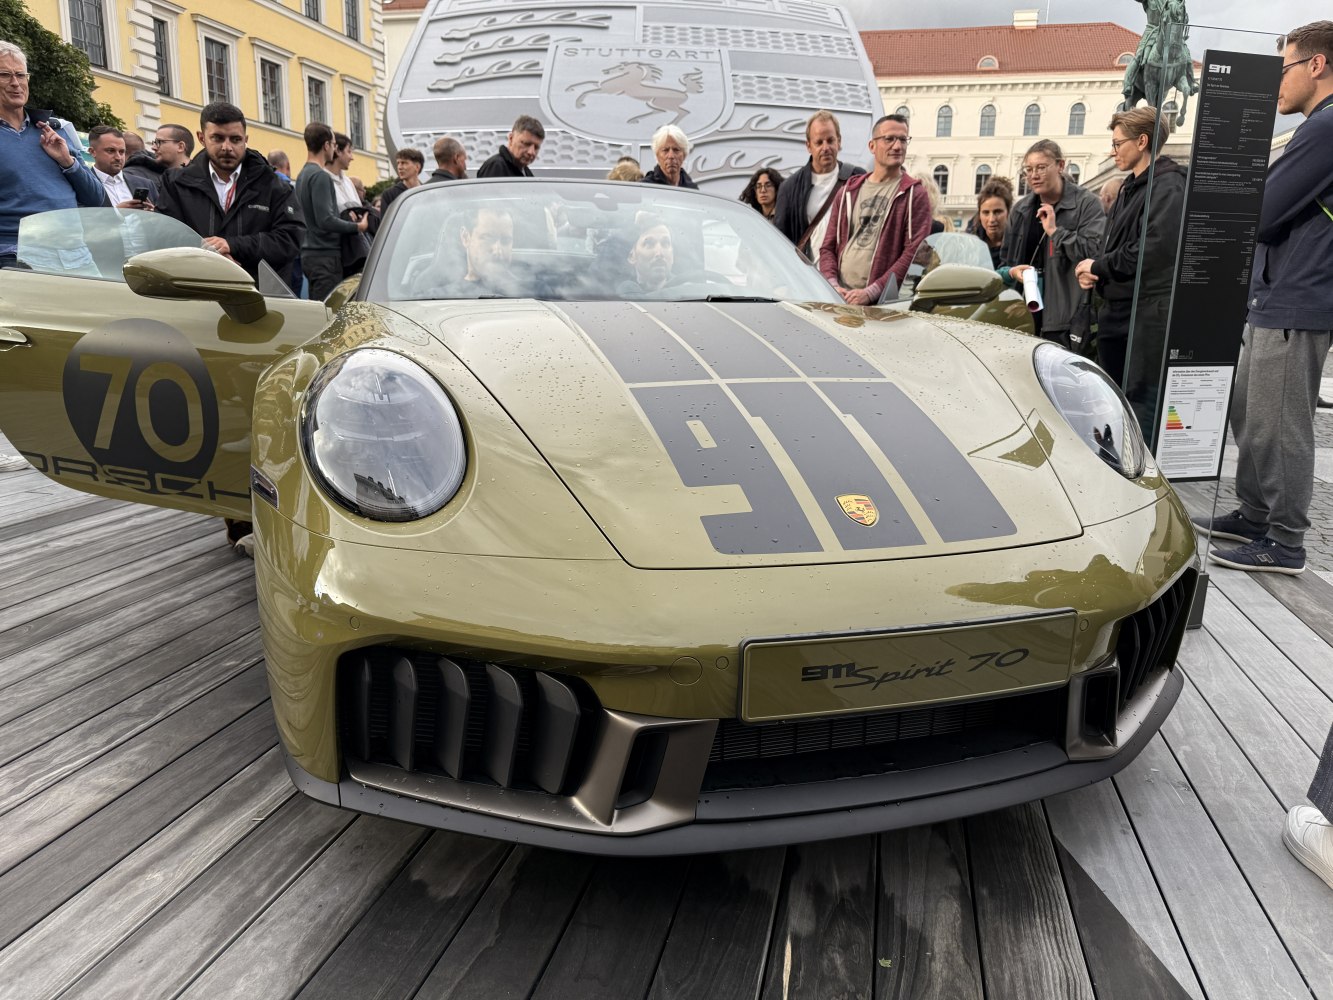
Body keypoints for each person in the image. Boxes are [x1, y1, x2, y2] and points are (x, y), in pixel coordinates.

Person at [1193, 20, 1333, 578]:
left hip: (1298, 296)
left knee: (1280, 422)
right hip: (1279, 294)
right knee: (1251, 409)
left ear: (1317, 65)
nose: (1277, 82)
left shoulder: (1325, 128)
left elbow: (1265, 211)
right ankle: (1254, 515)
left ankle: (1284, 539)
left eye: (1285, 67)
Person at [1075, 107, 1185, 429]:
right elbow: (1113, 243)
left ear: (1141, 141)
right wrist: (1094, 269)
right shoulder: (1129, 186)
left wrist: (1100, 265)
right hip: (1120, 312)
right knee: (1113, 402)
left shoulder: (1168, 186)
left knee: (1138, 406)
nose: (1112, 152)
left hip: (1145, 315)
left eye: (1117, 143)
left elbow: (1153, 251)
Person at [154, 101, 303, 282]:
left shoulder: (273, 185)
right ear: (202, 138)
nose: (227, 147)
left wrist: (233, 246)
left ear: (245, 140)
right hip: (196, 289)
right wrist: (212, 257)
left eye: (235, 139)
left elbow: (290, 239)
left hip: (258, 296)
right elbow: (165, 234)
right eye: (217, 138)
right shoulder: (176, 183)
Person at [0, 39, 106, 270]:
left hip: (76, 255)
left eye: (21, 75)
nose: (15, 83)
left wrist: (67, 161)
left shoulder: (55, 129)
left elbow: (96, 198)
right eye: (5, 75)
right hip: (15, 256)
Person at [997, 139, 1105, 343]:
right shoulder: (1020, 210)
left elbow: (1094, 252)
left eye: (1041, 168)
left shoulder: (1086, 203)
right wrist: (1014, 272)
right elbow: (1006, 262)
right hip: (1024, 314)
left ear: (1060, 166)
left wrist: (1056, 232)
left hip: (1067, 319)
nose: (1034, 175)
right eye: (1028, 169)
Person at [817, 114, 930, 306]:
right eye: (889, 139)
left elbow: (914, 254)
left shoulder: (914, 194)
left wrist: (872, 292)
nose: (897, 146)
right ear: (872, 146)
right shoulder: (847, 191)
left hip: (881, 306)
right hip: (840, 300)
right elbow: (827, 247)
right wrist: (833, 286)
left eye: (903, 139)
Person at [774, 109, 866, 259]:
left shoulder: (858, 178)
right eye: (819, 142)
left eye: (830, 140)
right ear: (809, 146)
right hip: (810, 276)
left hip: (849, 276)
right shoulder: (789, 188)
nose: (825, 148)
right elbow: (780, 241)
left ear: (839, 141)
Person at [296, 122, 367, 301]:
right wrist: (357, 226)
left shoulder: (303, 174)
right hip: (325, 255)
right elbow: (325, 219)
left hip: (311, 254)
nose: (334, 149)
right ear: (326, 145)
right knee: (328, 314)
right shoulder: (320, 176)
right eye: (334, 145)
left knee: (319, 309)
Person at [88, 125, 156, 210]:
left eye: (122, 152)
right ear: (92, 152)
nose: (118, 157)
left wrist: (154, 216)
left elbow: (164, 221)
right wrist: (117, 212)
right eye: (111, 151)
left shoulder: (146, 184)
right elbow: (82, 219)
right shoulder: (82, 185)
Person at [620, 216, 674, 295]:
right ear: (632, 256)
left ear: (672, 256)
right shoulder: (613, 294)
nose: (659, 253)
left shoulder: (688, 288)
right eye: (649, 243)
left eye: (665, 243)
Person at [478, 116, 544, 177]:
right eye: (526, 144)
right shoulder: (496, 166)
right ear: (511, 138)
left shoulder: (525, 171)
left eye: (536, 147)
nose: (531, 152)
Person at [974, 178, 1013, 268]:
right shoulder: (971, 244)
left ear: (1008, 212)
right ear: (979, 214)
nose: (991, 219)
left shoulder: (1018, 244)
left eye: (997, 212)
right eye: (986, 212)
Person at [380, 147, 425, 214]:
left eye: (404, 163)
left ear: (417, 167)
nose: (399, 167)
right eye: (398, 163)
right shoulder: (389, 195)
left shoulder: (426, 192)